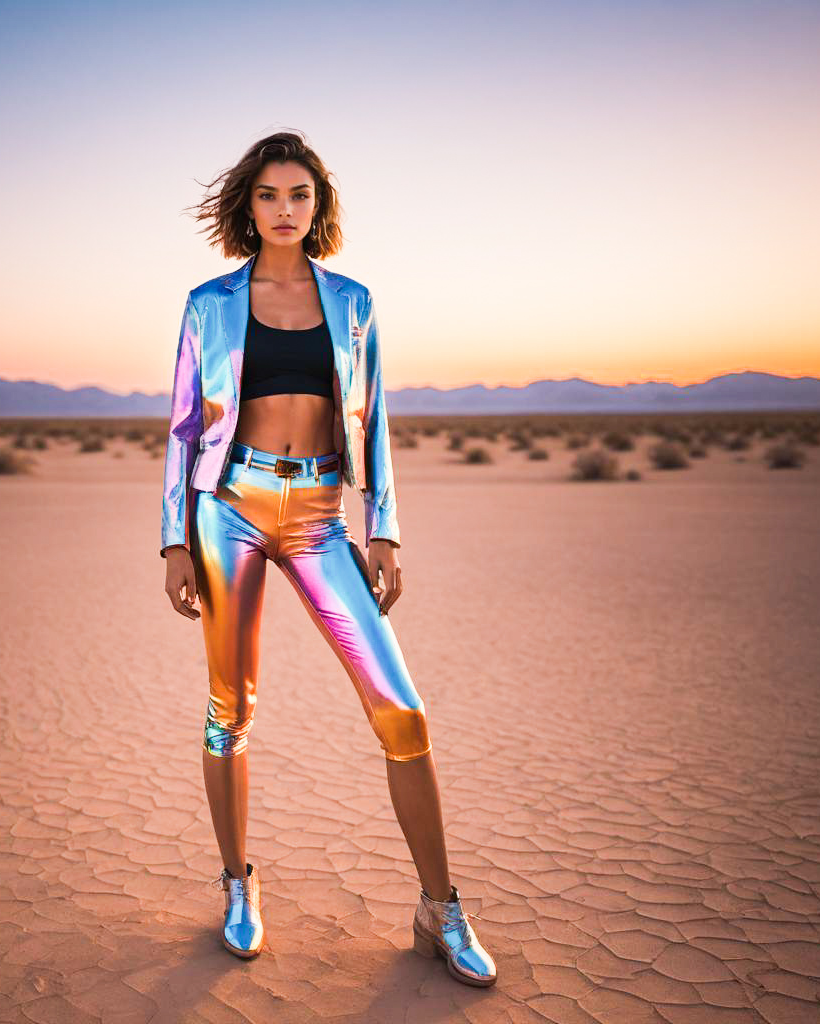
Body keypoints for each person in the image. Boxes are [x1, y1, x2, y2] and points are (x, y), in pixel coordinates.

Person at [160, 131, 497, 987]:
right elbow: (183, 431)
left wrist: (383, 526)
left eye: (299, 195)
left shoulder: (354, 302)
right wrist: (173, 538)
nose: (284, 209)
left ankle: (439, 908)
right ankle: (238, 885)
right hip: (226, 507)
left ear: (319, 205)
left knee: (401, 712)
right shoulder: (206, 303)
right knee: (229, 707)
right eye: (269, 195)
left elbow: (373, 418)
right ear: (249, 205)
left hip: (320, 516)